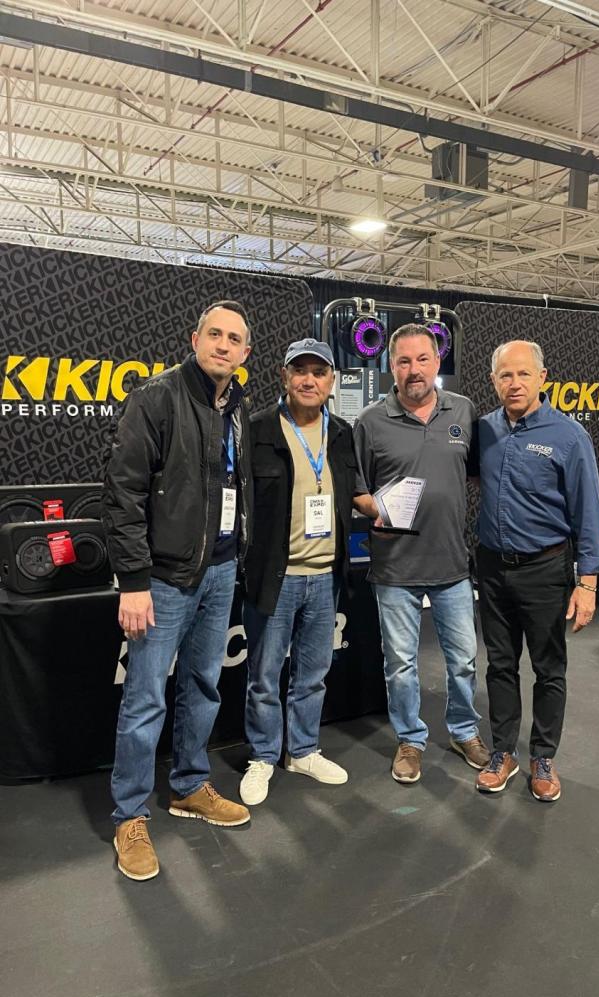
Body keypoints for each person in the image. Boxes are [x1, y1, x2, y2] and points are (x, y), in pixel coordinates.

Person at [102, 300, 253, 881]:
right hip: (162, 580)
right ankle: (129, 814)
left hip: (219, 571)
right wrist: (133, 581)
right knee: (145, 699)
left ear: (244, 353)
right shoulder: (158, 397)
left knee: (202, 684)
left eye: (233, 338)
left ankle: (190, 786)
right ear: (196, 339)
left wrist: (235, 554)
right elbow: (124, 491)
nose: (222, 344)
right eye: (213, 333)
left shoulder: (234, 405)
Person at [353, 324, 490, 784]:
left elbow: (473, 475)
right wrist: (382, 509)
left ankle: (463, 730)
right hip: (395, 566)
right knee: (402, 665)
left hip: (452, 563)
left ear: (437, 363)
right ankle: (410, 739)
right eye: (404, 361)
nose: (414, 370)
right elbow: (357, 491)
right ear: (391, 365)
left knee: (465, 659)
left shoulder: (464, 411)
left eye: (423, 360)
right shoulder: (371, 421)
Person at [474, 339, 599, 802]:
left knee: (549, 669)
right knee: (500, 666)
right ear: (493, 381)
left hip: (546, 570)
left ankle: (544, 757)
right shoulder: (484, 431)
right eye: (505, 375)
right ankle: (503, 752)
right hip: (491, 569)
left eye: (523, 374)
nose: (514, 383)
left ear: (542, 379)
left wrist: (587, 582)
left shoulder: (569, 436)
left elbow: (589, 513)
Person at [240, 339, 360, 806]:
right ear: (283, 376)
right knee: (264, 676)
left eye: (319, 372)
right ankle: (264, 756)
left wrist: (395, 509)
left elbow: (354, 495)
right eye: (300, 371)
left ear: (331, 382)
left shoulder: (343, 433)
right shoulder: (256, 430)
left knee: (313, 673)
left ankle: (304, 749)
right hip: (276, 574)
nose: (309, 380)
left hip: (326, 574)